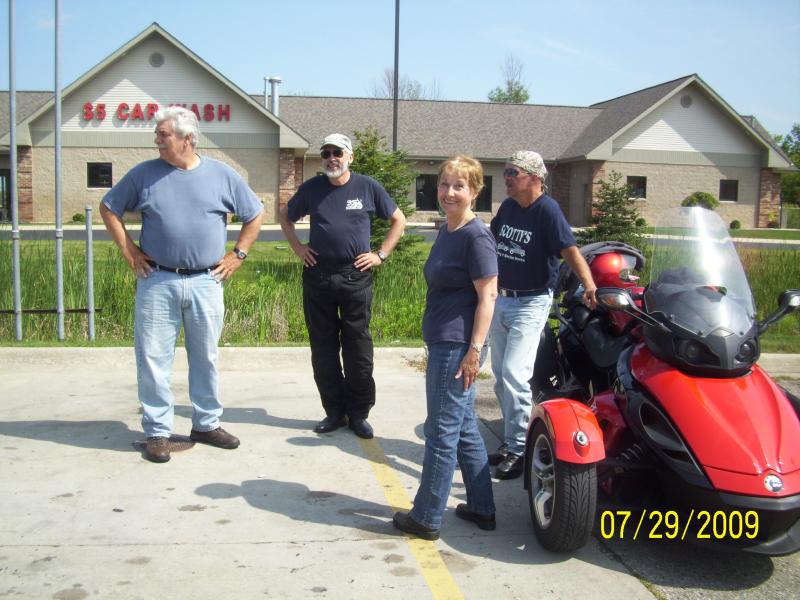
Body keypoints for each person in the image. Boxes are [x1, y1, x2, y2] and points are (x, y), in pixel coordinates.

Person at [100, 106, 264, 463]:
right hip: (158, 279)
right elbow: (108, 207)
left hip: (207, 280)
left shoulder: (223, 175)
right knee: (154, 357)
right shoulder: (144, 175)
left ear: (188, 140)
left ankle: (206, 424)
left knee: (206, 356)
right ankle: (158, 431)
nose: (156, 140)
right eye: (157, 135)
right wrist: (129, 251)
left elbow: (255, 214)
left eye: (163, 135)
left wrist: (239, 254)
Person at [393, 156, 498, 540]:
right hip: (446, 339)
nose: (449, 192)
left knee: (441, 432)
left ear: (474, 191)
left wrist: (474, 351)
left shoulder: (476, 236)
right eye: (444, 184)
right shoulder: (449, 229)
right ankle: (483, 507)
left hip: (457, 346)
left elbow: (488, 296)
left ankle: (426, 517)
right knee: (464, 426)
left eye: (459, 186)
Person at [278, 134, 406, 440]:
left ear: (350, 157)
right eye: (326, 153)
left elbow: (398, 220)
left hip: (355, 276)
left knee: (357, 347)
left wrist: (380, 255)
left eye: (337, 152)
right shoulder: (312, 189)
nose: (331, 158)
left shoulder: (367, 187)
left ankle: (359, 413)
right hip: (318, 275)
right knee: (323, 348)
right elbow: (285, 215)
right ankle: (334, 412)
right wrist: (298, 248)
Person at [488, 150, 597, 479]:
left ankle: (520, 450)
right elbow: (489, 241)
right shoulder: (508, 207)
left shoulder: (547, 210)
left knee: (514, 374)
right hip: (501, 299)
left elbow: (570, 250)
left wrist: (589, 285)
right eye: (506, 171)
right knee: (499, 376)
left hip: (531, 302)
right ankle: (509, 444)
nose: (506, 178)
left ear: (534, 179)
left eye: (513, 173)